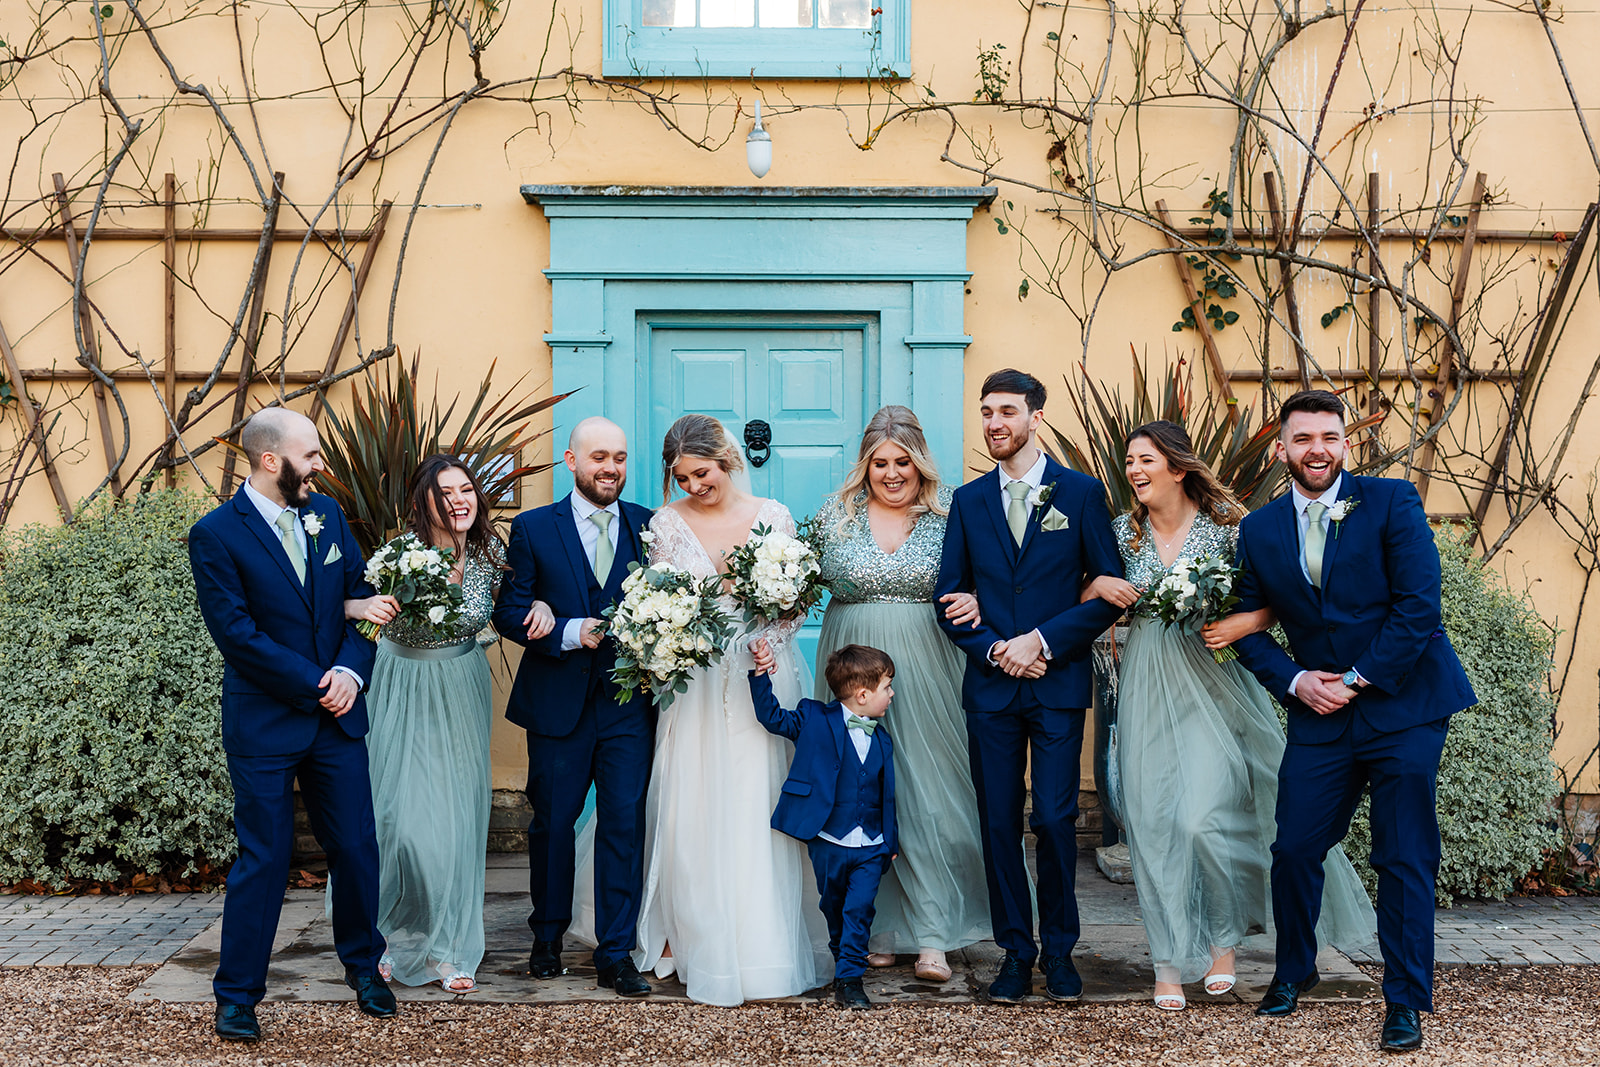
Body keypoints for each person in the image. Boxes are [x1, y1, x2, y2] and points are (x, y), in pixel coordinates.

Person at [1078, 421, 1376, 1011]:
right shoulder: (1122, 534)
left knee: (1201, 820)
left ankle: (1221, 946)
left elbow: (1279, 599)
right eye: (1130, 461)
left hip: (1214, 686)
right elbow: (1088, 595)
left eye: (1146, 460)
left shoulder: (1229, 531)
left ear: (1179, 467)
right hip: (1146, 687)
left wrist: (1244, 621)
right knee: (1153, 823)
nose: (1134, 471)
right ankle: (1166, 962)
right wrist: (1098, 589)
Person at [1225, 389, 1475, 1053]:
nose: (1317, 449)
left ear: (1345, 442)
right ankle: (1294, 967)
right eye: (1303, 438)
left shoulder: (1392, 502)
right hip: (1319, 711)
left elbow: (1419, 608)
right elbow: (1247, 628)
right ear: (1282, 447)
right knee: (1294, 848)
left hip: (1404, 705)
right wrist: (1298, 680)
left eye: (1329, 437)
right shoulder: (1260, 528)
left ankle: (1404, 1000)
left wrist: (1357, 680)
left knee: (1402, 855)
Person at [572, 412, 829, 1007]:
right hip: (692, 679)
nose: (694, 487)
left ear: (728, 460)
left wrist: (775, 637)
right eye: (683, 478)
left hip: (761, 674)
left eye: (702, 474)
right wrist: (669, 640)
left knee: (755, 799)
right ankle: (683, 937)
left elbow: (793, 601)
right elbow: (654, 599)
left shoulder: (773, 517)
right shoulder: (666, 523)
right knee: (688, 802)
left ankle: (756, 945)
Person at [187, 407, 394, 1043]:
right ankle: (238, 994)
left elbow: (361, 601)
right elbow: (239, 638)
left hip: (338, 720)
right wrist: (316, 682)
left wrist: (351, 674)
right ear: (270, 460)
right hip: (266, 722)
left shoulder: (326, 516)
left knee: (357, 847)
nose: (321, 466)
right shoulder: (216, 534)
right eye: (311, 456)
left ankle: (364, 968)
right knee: (265, 858)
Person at [933, 369, 1124, 1004]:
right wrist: (994, 647)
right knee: (996, 822)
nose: (994, 423)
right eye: (986, 412)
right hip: (991, 688)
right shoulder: (968, 501)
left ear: (1035, 416)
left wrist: (1039, 641)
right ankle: (1015, 953)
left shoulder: (1081, 494)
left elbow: (1109, 592)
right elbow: (948, 597)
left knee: (1057, 818)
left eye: (1007, 412)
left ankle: (1061, 955)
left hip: (1057, 685)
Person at [811, 405, 990, 982]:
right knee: (857, 791)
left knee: (929, 791)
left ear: (921, 465)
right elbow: (791, 591)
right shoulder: (832, 520)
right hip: (847, 661)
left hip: (927, 667)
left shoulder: (951, 518)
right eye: (880, 463)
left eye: (903, 462)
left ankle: (933, 933)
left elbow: (987, 582)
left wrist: (982, 605)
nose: (891, 473)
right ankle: (878, 930)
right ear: (864, 467)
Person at [491, 417, 657, 998]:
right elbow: (509, 612)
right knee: (553, 826)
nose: (610, 467)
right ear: (571, 461)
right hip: (557, 704)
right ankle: (547, 938)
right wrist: (564, 629)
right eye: (598, 457)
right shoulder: (534, 529)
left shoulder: (650, 525)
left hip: (628, 706)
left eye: (619, 456)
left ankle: (617, 953)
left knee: (622, 827)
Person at [342, 455, 518, 995]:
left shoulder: (491, 553)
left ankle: (450, 947)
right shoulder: (400, 555)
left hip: (461, 686)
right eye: (447, 493)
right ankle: (390, 936)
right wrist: (357, 607)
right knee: (399, 822)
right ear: (425, 502)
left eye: (467, 489)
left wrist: (544, 618)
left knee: (457, 820)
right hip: (402, 687)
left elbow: (513, 609)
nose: (460, 500)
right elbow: (345, 603)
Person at [748, 641, 899, 1011]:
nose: (893, 694)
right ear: (863, 695)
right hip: (827, 838)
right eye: (887, 687)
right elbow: (772, 718)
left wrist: (889, 840)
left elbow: (887, 794)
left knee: (859, 909)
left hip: (870, 844)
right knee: (833, 907)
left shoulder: (882, 740)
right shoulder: (813, 718)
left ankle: (849, 979)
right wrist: (759, 676)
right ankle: (842, 956)